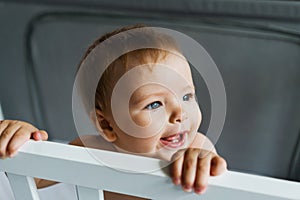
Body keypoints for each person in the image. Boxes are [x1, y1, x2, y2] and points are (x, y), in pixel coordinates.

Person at [0, 24, 227, 198]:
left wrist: (203, 161)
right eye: (154, 104)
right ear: (107, 125)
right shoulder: (91, 150)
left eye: (187, 96)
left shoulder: (195, 146)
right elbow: (29, 176)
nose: (180, 113)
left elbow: (207, 163)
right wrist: (22, 140)